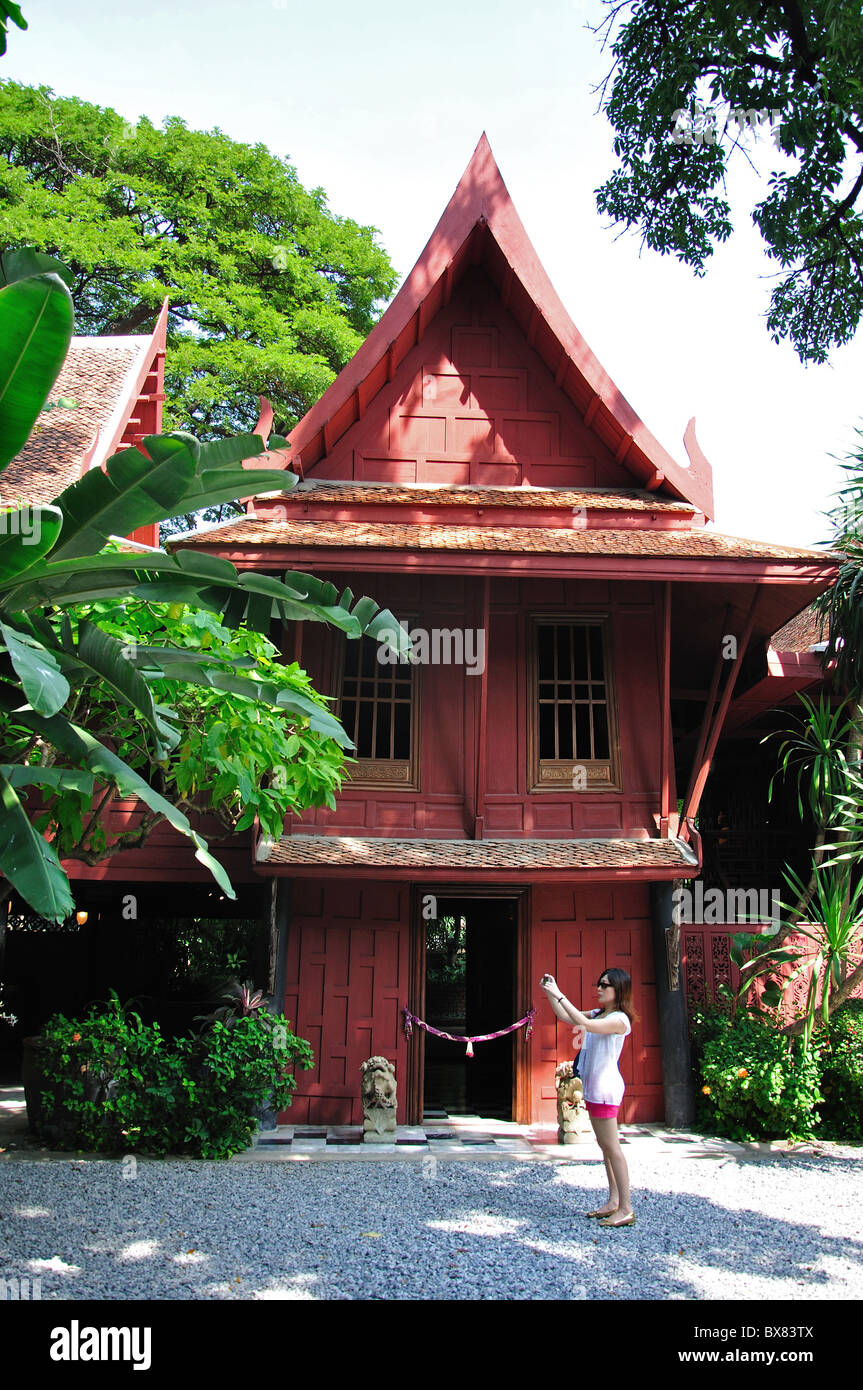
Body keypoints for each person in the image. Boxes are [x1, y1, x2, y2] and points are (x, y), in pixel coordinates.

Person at [540, 967, 636, 1228]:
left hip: (606, 1090)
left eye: (606, 985)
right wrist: (551, 991)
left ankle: (626, 1207)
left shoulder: (619, 1020)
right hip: (594, 1089)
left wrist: (560, 994)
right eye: (599, 983)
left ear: (619, 990)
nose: (600, 988)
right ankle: (614, 1201)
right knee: (605, 1148)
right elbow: (566, 1016)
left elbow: (587, 1026)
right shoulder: (599, 1013)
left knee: (612, 1148)